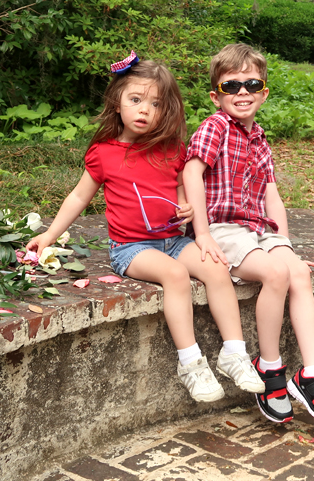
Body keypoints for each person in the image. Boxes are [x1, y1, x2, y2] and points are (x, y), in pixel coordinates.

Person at [26, 51, 264, 403]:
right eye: (135, 100)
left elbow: (185, 193)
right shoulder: (104, 152)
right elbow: (79, 197)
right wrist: (49, 235)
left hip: (172, 239)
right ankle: (191, 363)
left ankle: (234, 353)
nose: (144, 110)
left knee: (216, 268)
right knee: (176, 275)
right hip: (131, 248)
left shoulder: (171, 149)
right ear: (117, 102)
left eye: (155, 104)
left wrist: (187, 211)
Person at [183, 43, 314, 423]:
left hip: (258, 230)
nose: (242, 92)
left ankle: (310, 374)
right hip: (223, 227)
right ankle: (269, 368)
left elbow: (271, 194)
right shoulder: (215, 127)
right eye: (231, 86)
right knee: (275, 274)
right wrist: (202, 233)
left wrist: (283, 243)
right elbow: (191, 173)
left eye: (251, 84)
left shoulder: (259, 138)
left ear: (264, 92)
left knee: (298, 271)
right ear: (215, 95)